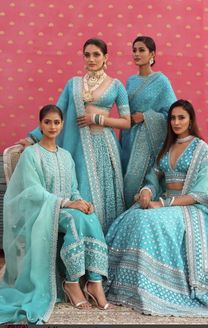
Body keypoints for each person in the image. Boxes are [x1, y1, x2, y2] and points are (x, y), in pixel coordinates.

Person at [105, 99, 208, 316]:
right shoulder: (167, 147)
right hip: (163, 202)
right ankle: (129, 285)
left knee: (148, 220)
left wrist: (163, 203)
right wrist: (147, 191)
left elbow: (199, 194)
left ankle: (158, 288)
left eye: (181, 117)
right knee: (131, 217)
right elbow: (154, 178)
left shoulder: (201, 150)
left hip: (187, 207)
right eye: (173, 118)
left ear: (190, 120)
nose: (176, 122)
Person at [0, 105, 110, 324]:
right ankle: (71, 282)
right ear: (40, 124)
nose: (52, 126)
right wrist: (68, 203)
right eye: (47, 122)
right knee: (73, 217)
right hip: (41, 212)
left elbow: (73, 188)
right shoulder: (31, 154)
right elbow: (33, 192)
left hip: (65, 208)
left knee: (88, 215)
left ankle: (94, 281)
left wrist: (83, 202)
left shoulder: (66, 156)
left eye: (56, 122)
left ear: (61, 125)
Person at [18, 38, 131, 233]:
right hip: (79, 147)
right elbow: (58, 110)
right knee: (82, 190)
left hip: (105, 149)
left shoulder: (116, 85)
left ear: (106, 57)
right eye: (87, 55)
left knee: (105, 196)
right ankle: (84, 239)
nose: (91, 59)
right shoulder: (74, 84)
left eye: (96, 54)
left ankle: (107, 242)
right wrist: (33, 138)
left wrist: (97, 118)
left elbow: (126, 122)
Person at [121, 36, 176, 208]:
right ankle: (124, 222)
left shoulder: (161, 81)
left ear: (152, 54)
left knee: (138, 180)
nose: (137, 54)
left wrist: (146, 117)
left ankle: (140, 213)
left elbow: (172, 114)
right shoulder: (130, 80)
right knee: (125, 178)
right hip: (128, 138)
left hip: (148, 140)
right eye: (134, 50)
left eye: (142, 50)